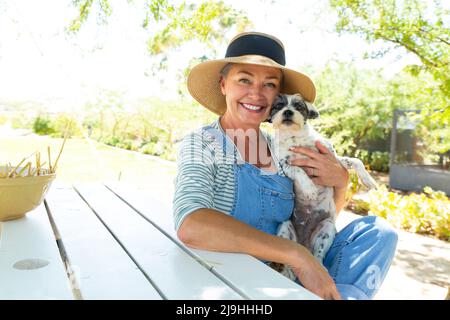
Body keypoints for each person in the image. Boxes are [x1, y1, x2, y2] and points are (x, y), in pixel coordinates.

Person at [173, 31, 398, 300]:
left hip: (295, 270)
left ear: (278, 94)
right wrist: (296, 255)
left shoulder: (281, 145)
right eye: (244, 79)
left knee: (377, 232)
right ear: (223, 85)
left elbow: (319, 216)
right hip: (235, 282)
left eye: (269, 84)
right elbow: (191, 225)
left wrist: (340, 183)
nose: (256, 93)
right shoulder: (203, 143)